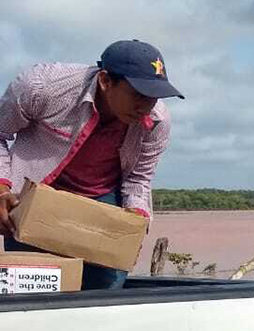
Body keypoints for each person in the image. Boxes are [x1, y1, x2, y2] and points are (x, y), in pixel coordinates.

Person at [0, 39, 183, 289]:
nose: (146, 106)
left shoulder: (157, 122)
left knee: (103, 301)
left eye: (155, 96)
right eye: (139, 94)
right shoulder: (42, 86)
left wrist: (136, 221)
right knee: (29, 292)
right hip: (35, 197)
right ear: (106, 81)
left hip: (100, 202)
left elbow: (139, 179)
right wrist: (2, 188)